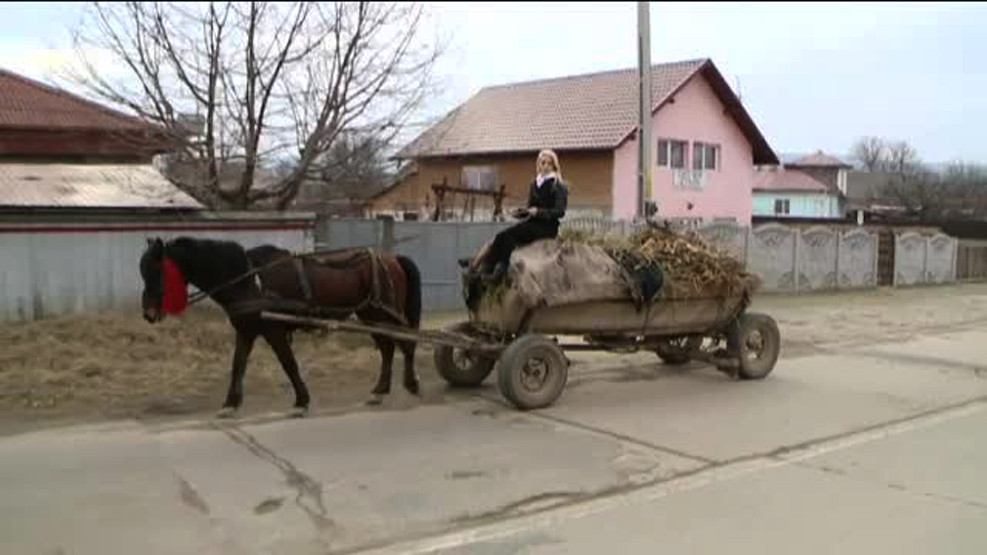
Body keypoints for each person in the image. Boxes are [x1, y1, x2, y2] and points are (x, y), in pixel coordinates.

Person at [462, 149, 568, 283]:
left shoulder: (559, 185)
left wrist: (539, 212)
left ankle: (496, 269)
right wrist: (522, 212)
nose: (545, 166)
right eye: (543, 163)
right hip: (532, 222)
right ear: (538, 165)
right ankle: (487, 268)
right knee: (502, 236)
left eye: (549, 163)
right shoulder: (535, 183)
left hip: (547, 227)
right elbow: (531, 207)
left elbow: (560, 211)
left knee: (507, 236)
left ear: (554, 166)